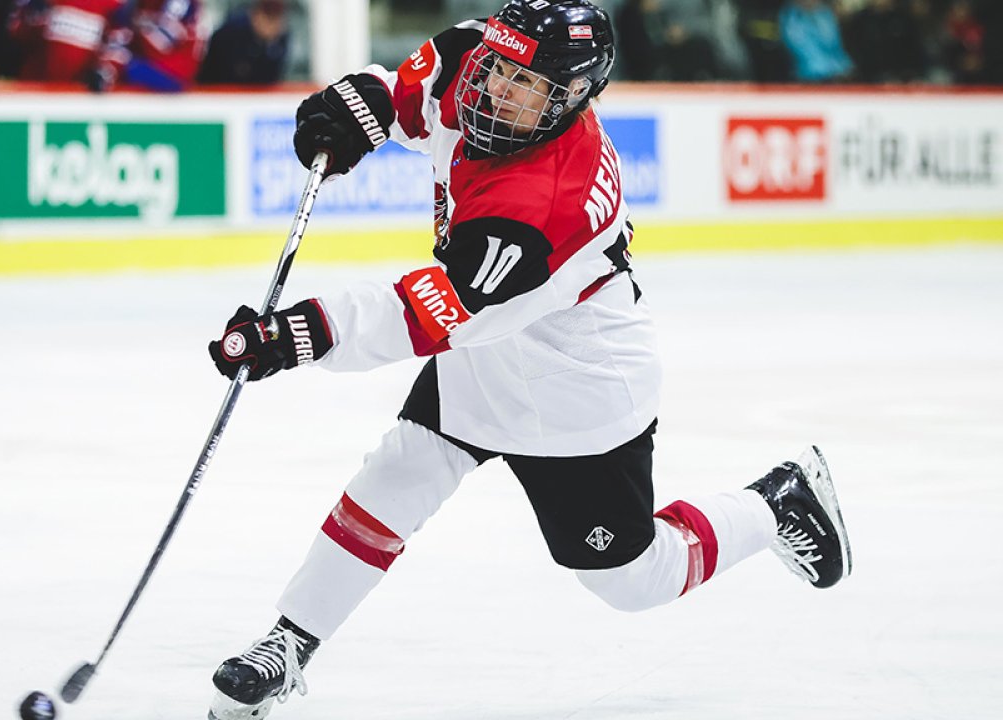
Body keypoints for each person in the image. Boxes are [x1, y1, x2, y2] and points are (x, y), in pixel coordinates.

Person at [203, 2, 853, 719]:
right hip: (482, 355)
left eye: (523, 84)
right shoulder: (479, 56)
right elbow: (408, 94)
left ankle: (777, 502)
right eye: (497, 68)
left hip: (575, 388)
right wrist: (356, 110)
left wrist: (295, 334)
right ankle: (290, 642)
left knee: (633, 580)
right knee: (396, 475)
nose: (495, 89)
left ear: (571, 97)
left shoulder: (544, 203)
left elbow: (426, 312)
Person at [196, 0, 287, 86]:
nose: (273, 27)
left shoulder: (280, 40)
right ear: (256, 16)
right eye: (269, 20)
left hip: (255, 93)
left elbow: (271, 78)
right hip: (215, 91)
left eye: (277, 20)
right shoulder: (230, 35)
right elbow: (220, 74)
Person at [779, 0, 853, 82]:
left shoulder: (825, 14)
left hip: (841, 75)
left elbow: (834, 46)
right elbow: (807, 55)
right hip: (812, 79)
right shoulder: (790, 18)